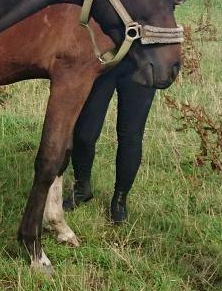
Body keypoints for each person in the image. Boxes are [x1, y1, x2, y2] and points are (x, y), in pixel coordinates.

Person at [63, 58, 155, 223]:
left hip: (143, 62)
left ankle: (120, 198)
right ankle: (82, 186)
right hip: (105, 58)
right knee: (84, 133)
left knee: (131, 137)